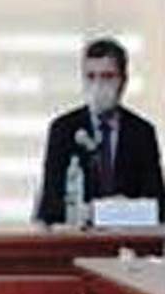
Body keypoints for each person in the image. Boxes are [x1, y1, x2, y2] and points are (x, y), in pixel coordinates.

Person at [36, 37, 165, 224]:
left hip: (128, 236)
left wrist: (121, 210)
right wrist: (93, 211)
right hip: (78, 236)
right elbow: (50, 205)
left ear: (123, 81)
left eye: (107, 76)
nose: (98, 85)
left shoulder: (141, 132)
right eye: (91, 76)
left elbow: (157, 205)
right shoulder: (63, 129)